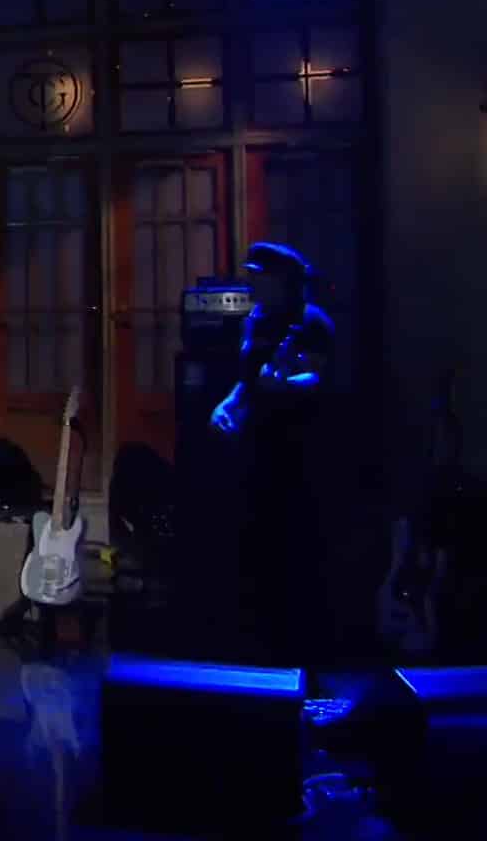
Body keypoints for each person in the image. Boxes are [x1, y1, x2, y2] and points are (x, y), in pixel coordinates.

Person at [206, 242, 335, 663]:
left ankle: (297, 652)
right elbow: (246, 379)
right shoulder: (257, 319)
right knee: (251, 544)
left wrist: (285, 386)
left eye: (261, 277)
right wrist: (226, 404)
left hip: (296, 448)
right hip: (255, 447)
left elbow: (318, 378)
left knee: (294, 548)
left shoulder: (311, 322)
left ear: (284, 281)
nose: (254, 283)